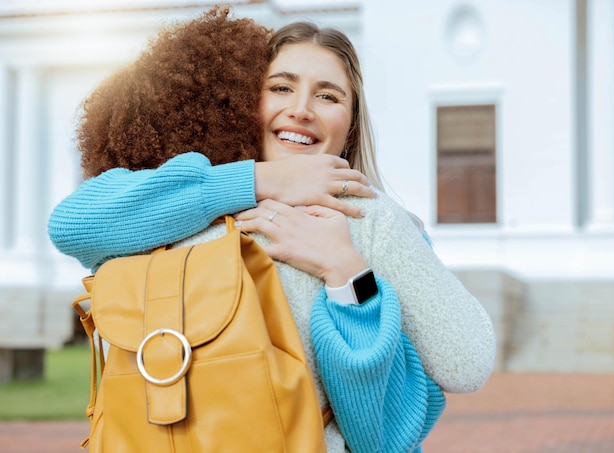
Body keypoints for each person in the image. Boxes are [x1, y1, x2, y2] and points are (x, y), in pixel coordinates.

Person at [48, 7, 496, 452]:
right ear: (242, 101)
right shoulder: (187, 204)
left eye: (328, 96)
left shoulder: (367, 220)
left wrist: (346, 274)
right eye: (280, 88)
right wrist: (258, 180)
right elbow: (71, 223)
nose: (300, 110)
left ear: (352, 126)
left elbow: (466, 361)